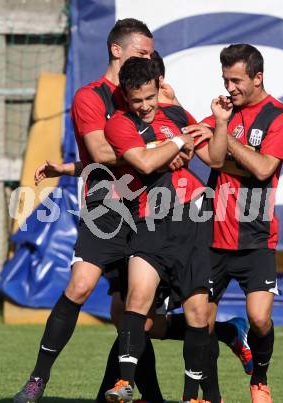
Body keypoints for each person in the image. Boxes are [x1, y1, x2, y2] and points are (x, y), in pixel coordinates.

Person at [13, 18, 165, 403]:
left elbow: (178, 140)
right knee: (80, 286)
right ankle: (37, 379)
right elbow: (98, 154)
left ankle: (136, 393)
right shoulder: (91, 97)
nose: (150, 59)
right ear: (117, 50)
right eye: (142, 52)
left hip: (150, 207)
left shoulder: (151, 93)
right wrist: (152, 152)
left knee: (135, 316)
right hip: (107, 208)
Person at [102, 56, 229, 403]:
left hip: (192, 220)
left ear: (160, 87)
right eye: (135, 100)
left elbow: (215, 160)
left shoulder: (175, 114)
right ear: (125, 97)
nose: (143, 106)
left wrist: (218, 125)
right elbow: (143, 162)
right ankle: (123, 384)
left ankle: (193, 397)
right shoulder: (118, 124)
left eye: (149, 97)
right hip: (149, 220)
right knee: (137, 299)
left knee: (198, 314)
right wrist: (175, 144)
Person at [200, 44, 283, 403]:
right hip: (212, 233)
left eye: (237, 80)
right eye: (226, 80)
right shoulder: (223, 112)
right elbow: (201, 148)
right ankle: (211, 395)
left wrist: (226, 139)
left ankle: (259, 378)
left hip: (256, 236)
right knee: (201, 323)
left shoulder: (280, 117)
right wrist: (218, 136)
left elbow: (262, 168)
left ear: (258, 78)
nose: (230, 88)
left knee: (259, 319)